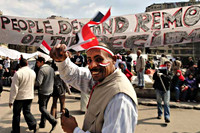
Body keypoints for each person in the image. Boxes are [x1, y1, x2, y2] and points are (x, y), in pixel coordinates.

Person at [50, 42, 138, 133]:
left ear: (113, 60)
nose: (92, 65)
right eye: (89, 60)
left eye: (99, 59)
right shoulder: (103, 79)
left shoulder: (119, 98)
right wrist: (61, 60)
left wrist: (74, 130)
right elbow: (75, 75)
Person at [9, 58, 38, 133]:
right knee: (27, 111)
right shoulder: (32, 72)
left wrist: (11, 100)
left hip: (20, 97)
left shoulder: (18, 73)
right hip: (29, 96)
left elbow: (14, 88)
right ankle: (33, 124)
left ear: (19, 65)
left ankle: (16, 130)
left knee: (16, 114)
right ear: (27, 64)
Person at [35, 57, 57, 132]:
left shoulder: (41, 70)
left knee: (42, 108)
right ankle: (42, 123)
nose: (37, 64)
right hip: (50, 90)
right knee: (44, 107)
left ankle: (53, 121)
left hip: (43, 91)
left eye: (37, 62)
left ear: (42, 62)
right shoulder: (51, 69)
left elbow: (38, 83)